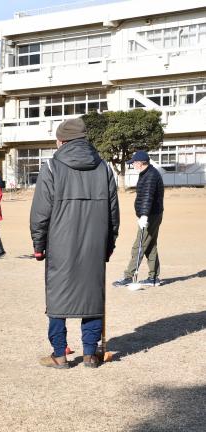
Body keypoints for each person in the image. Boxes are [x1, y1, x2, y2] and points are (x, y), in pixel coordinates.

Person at [30, 118, 119, 369]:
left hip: (60, 245)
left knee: (57, 298)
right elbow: (114, 213)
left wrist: (38, 245)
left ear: (61, 141)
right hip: (94, 245)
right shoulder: (103, 168)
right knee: (92, 297)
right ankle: (90, 354)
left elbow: (40, 212)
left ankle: (60, 354)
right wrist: (109, 244)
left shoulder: (52, 168)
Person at [113, 151, 164, 287]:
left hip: (151, 215)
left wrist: (144, 216)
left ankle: (129, 276)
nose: (133, 165)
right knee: (150, 245)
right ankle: (153, 278)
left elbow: (147, 197)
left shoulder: (150, 176)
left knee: (139, 245)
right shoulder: (147, 173)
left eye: (134, 163)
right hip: (153, 214)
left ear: (140, 163)